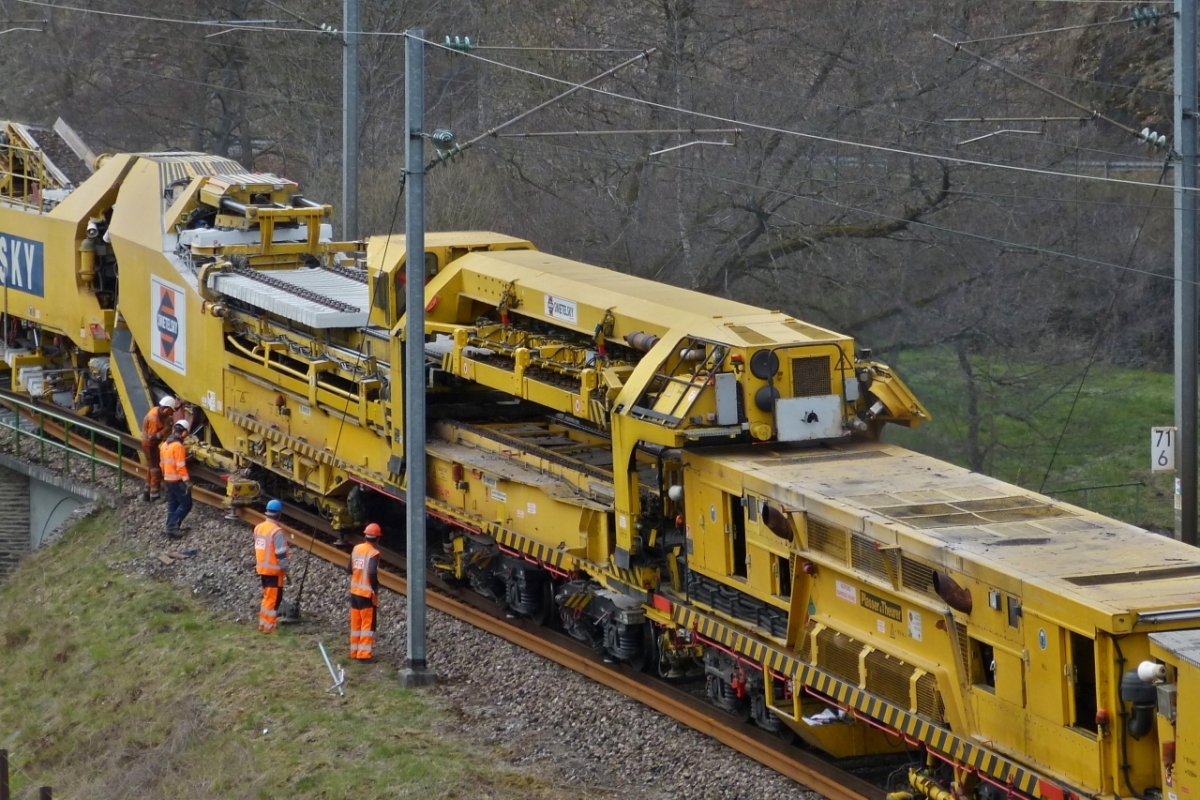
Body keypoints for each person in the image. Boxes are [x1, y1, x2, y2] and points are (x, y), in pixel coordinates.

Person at [254, 500, 290, 634]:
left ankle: (263, 624)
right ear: (279, 514)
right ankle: (269, 628)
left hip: (263, 569)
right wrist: (286, 569)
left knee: (267, 597)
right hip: (274, 571)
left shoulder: (259, 528)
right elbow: (280, 553)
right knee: (273, 599)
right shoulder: (277, 531)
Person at [349, 523, 382, 661]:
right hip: (366, 595)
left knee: (356, 624)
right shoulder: (374, 553)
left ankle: (354, 652)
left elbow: (349, 568)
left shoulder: (356, 548)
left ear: (365, 535)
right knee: (367, 625)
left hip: (354, 592)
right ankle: (364, 655)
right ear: (377, 539)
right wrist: (375, 587)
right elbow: (372, 572)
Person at [159, 418, 192, 537]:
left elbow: (163, 463)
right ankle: (172, 526)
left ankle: (170, 527)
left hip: (168, 479)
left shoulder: (164, 445)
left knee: (172, 504)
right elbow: (180, 466)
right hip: (177, 480)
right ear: (184, 433)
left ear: (173, 430)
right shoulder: (178, 446)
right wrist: (187, 481)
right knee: (186, 503)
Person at [141, 396, 177, 502]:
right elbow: (152, 437)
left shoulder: (157, 411)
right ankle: (154, 495)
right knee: (156, 470)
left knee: (151, 469)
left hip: (150, 445)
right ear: (166, 408)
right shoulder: (154, 418)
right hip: (150, 445)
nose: (170, 414)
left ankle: (146, 493)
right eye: (170, 412)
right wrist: (164, 430)